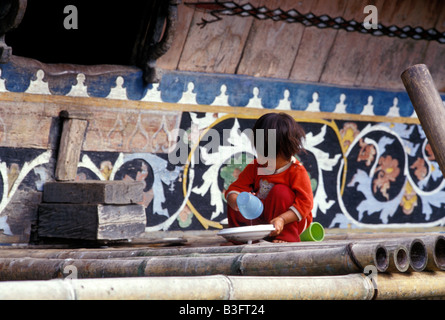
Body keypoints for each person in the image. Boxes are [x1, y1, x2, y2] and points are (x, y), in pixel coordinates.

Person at [225, 112, 313, 243]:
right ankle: (241, 238)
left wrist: (282, 219)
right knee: (237, 200)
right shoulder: (256, 166)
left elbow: (305, 204)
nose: (263, 160)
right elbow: (235, 188)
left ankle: (285, 238)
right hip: (262, 217)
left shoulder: (296, 171)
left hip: (288, 221)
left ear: (287, 151)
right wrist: (236, 200)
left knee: (281, 192)